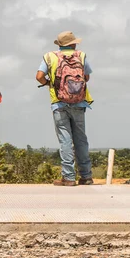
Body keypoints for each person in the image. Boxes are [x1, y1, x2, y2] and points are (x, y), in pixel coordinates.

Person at [36, 31, 94, 187]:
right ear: (73, 44)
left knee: (65, 140)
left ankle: (68, 177)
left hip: (59, 103)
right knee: (81, 140)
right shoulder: (81, 56)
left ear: (60, 44)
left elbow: (39, 76)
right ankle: (86, 176)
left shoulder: (49, 57)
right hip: (79, 103)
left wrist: (50, 83)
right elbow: (87, 76)